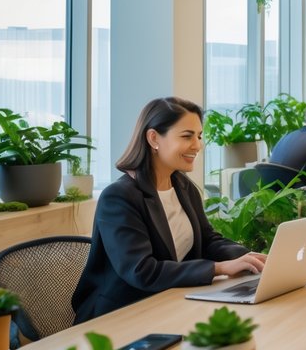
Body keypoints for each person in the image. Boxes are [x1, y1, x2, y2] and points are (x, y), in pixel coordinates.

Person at [72, 97, 266, 323]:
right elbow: (142, 270)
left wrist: (248, 258)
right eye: (187, 136)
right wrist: (219, 268)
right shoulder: (118, 197)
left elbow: (208, 240)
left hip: (170, 302)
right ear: (153, 138)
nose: (197, 145)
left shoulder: (184, 187)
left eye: (199, 136)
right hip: (122, 314)